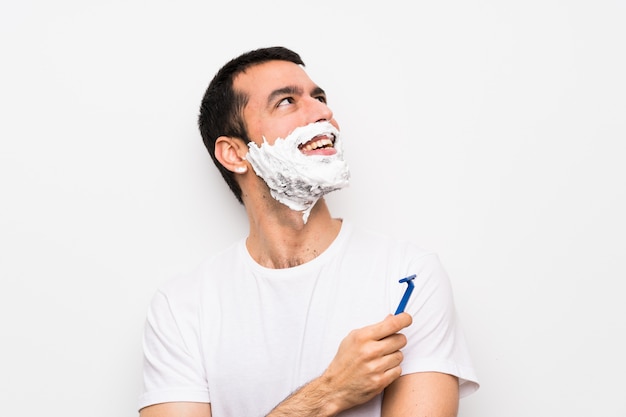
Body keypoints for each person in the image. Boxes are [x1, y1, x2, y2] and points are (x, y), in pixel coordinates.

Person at [138, 46, 479, 417]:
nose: (323, 112)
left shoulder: (408, 275)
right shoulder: (183, 308)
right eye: (286, 101)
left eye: (319, 97)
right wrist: (329, 391)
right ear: (235, 154)